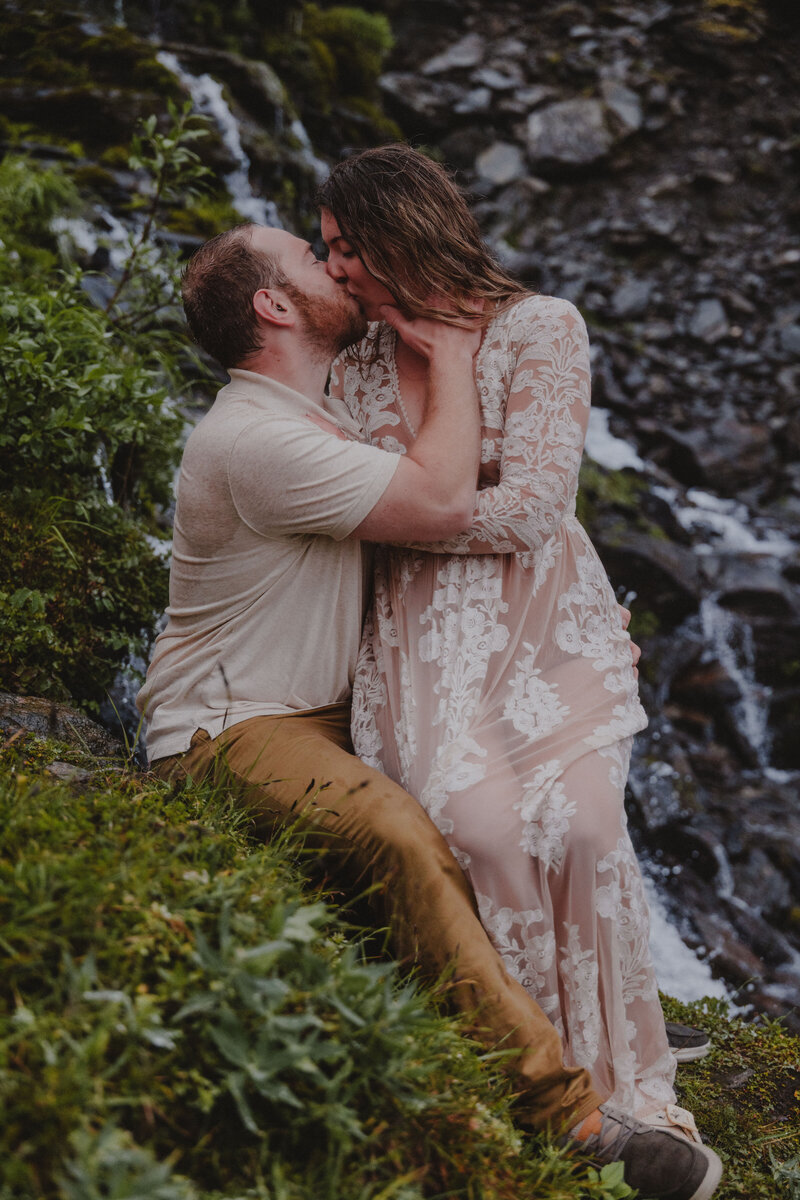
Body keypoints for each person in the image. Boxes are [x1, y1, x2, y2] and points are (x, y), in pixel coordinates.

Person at [136, 221, 722, 1200]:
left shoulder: (313, 419)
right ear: (273, 308)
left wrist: (581, 626)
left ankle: (604, 1008)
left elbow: (467, 548)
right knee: (399, 828)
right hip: (231, 725)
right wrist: (450, 350)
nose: (334, 268)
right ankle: (567, 1117)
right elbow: (445, 506)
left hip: (331, 701)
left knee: (520, 779)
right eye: (309, 260)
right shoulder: (257, 439)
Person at [318, 145, 701, 1128]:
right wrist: (408, 507)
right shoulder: (348, 366)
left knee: (582, 833)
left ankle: (621, 1086)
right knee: (475, 828)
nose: (331, 273)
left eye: (341, 250)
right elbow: (344, 510)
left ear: (395, 230)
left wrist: (406, 506)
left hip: (544, 628)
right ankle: (536, 1085)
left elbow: (533, 510)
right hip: (416, 646)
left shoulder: (539, 328)